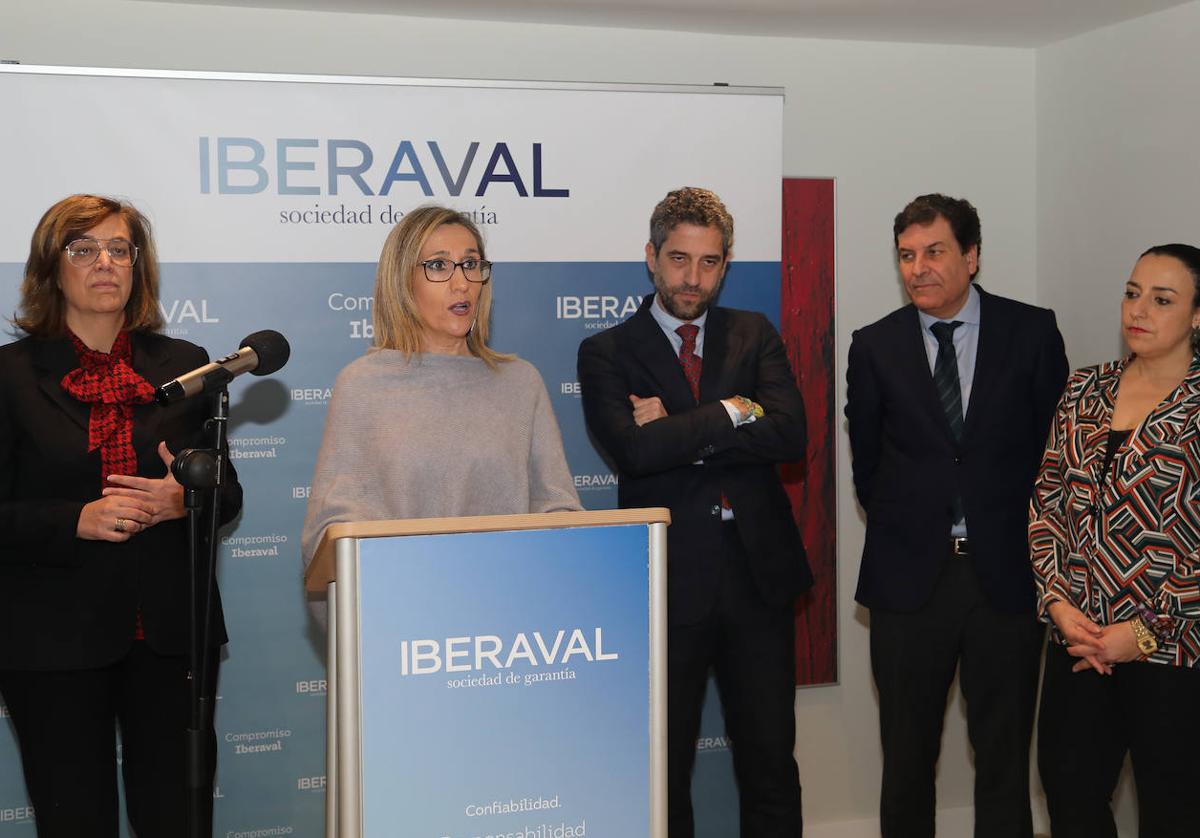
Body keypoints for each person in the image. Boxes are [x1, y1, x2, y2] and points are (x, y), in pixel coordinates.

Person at [0, 194, 243, 837]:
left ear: (138, 267)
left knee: (177, 818)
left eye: (119, 249)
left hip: (169, 635)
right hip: (52, 638)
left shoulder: (187, 366)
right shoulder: (11, 376)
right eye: (84, 249)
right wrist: (72, 519)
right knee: (76, 821)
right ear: (52, 270)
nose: (104, 262)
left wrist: (181, 499)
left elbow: (230, 495)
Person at [577, 187, 811, 837]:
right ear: (651, 258)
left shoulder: (753, 333)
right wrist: (737, 412)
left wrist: (681, 424)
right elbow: (633, 451)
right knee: (665, 771)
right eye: (679, 259)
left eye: (709, 263)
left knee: (770, 764)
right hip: (667, 585)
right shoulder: (607, 352)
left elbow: (792, 435)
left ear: (727, 263)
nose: (693, 278)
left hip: (759, 580)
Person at [845, 193, 1068, 837]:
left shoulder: (1031, 332)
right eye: (907, 256)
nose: (919, 268)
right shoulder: (875, 346)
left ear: (971, 256)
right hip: (908, 584)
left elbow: (1055, 458)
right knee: (907, 760)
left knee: (1002, 759)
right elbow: (868, 469)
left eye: (934, 252)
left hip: (1007, 579)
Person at [301, 206, 580, 575]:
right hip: (403, 610)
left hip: (513, 607)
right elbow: (332, 532)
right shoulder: (362, 384)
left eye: (471, 264)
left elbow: (558, 509)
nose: (461, 282)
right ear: (402, 280)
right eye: (438, 266)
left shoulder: (521, 382)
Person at [1030, 243, 1200, 838]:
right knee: (1068, 790)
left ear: (1197, 315)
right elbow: (1047, 503)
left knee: (1173, 809)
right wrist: (1056, 602)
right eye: (1132, 293)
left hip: (1175, 653)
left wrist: (1145, 632)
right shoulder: (1084, 389)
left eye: (1162, 299)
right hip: (1079, 641)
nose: (1139, 310)